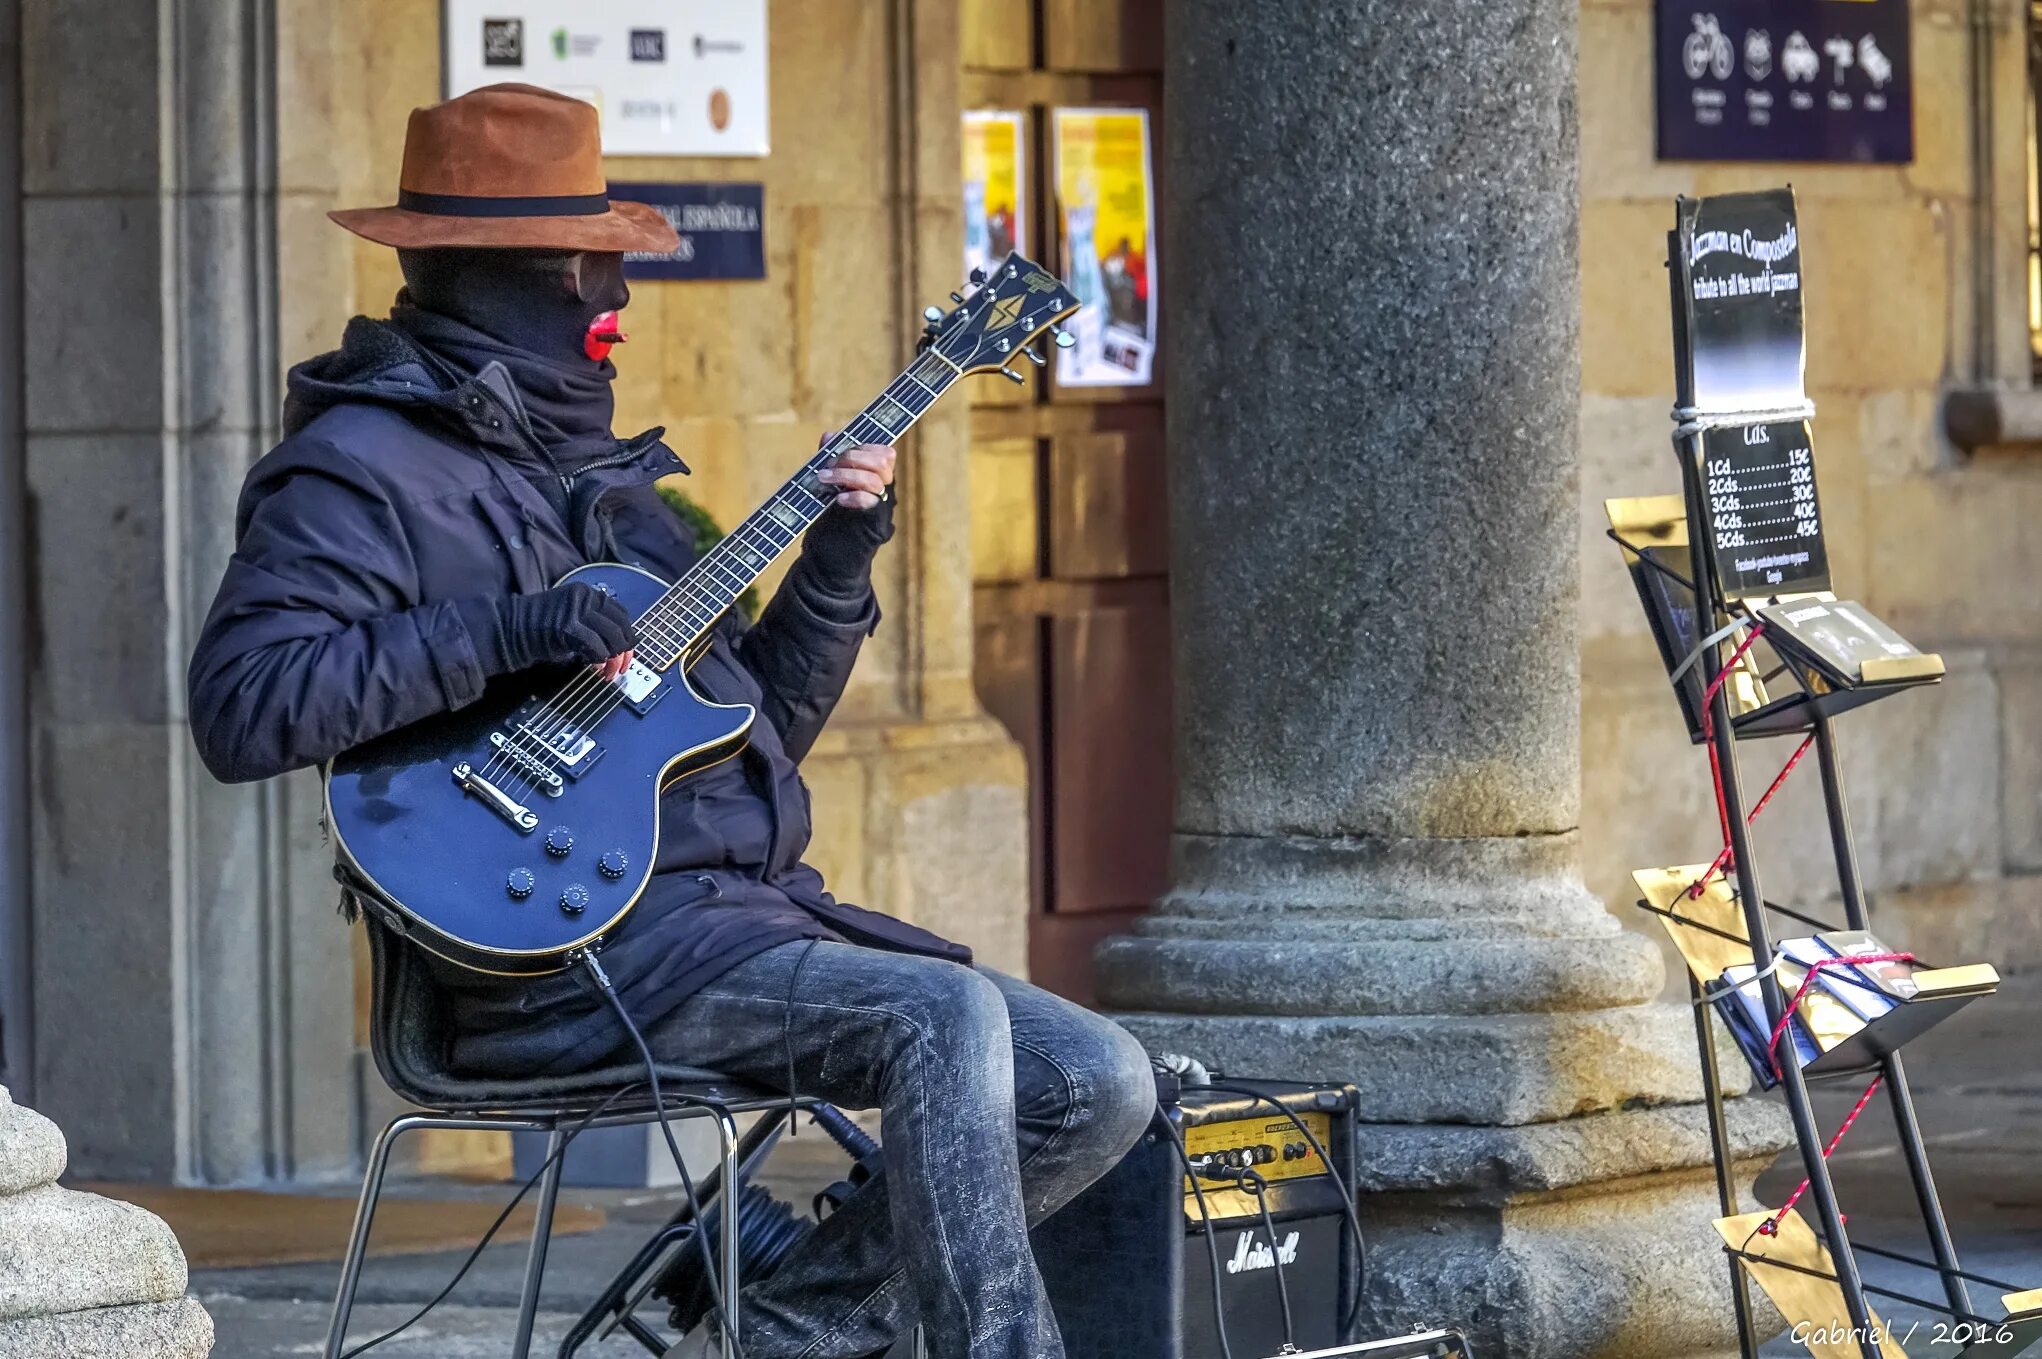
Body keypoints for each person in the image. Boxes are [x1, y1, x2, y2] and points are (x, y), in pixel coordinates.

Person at [186, 84, 1154, 1359]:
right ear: (498, 276)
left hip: (727, 927)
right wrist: (511, 632)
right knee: (942, 1019)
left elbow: (754, 742)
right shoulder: (358, 471)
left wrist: (838, 562)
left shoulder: (619, 489)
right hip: (552, 967)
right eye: (595, 266)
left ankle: (774, 1327)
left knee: (1101, 1082)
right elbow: (243, 708)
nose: (619, 303)